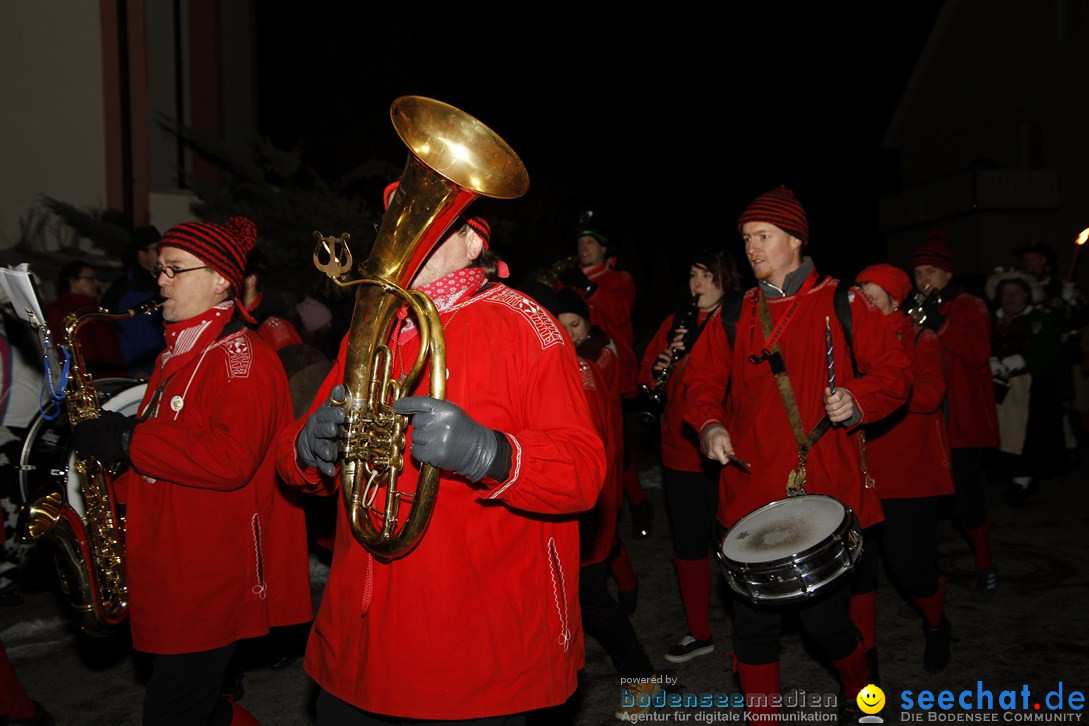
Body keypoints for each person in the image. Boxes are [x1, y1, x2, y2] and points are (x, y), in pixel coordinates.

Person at [279, 205, 606, 725]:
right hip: (358, 641)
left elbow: (582, 473)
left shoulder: (528, 324)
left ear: (474, 244)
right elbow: (294, 449)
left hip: (473, 656)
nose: (404, 240)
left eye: (426, 227)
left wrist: (491, 453)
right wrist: (306, 450)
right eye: (397, 228)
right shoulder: (368, 329)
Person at [71, 216, 312, 725]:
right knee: (200, 710)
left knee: (173, 711)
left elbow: (230, 459)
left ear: (221, 278)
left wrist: (128, 439)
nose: (160, 281)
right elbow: (170, 453)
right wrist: (110, 483)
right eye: (160, 270)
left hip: (209, 573)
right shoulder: (178, 352)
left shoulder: (242, 358)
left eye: (175, 270)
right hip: (172, 561)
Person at [683, 186, 911, 722]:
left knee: (826, 627)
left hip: (824, 491)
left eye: (762, 237)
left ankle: (863, 699)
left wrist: (857, 399)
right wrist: (711, 425)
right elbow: (701, 382)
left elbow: (897, 375)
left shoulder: (843, 301)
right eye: (746, 240)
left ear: (795, 240)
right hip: (751, 492)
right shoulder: (736, 311)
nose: (752, 249)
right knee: (753, 630)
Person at [524, 280, 659, 720]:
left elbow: (584, 455)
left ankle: (641, 677)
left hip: (577, 513)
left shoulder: (577, 372)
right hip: (566, 511)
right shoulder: (558, 364)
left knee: (591, 602)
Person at [638, 247, 740, 664]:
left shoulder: (736, 320)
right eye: (693, 276)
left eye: (706, 276)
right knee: (689, 543)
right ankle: (700, 632)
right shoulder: (674, 323)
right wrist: (663, 364)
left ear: (724, 279)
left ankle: (754, 629)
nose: (697, 285)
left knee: (736, 538)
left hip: (728, 446)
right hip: (680, 449)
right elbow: (644, 376)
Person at [854, 264, 955, 674]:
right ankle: (867, 659)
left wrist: (881, 385)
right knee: (858, 575)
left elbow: (930, 395)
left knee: (911, 570)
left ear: (895, 302)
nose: (863, 304)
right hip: (856, 474)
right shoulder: (848, 340)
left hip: (907, 475)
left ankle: (936, 624)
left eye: (872, 297)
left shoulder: (921, 339)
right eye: (859, 296)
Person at [910, 230, 1000, 600]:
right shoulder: (915, 309)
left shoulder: (970, 306)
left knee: (967, 505)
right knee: (925, 506)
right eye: (917, 273)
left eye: (930, 271)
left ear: (948, 273)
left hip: (960, 423)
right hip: (927, 424)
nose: (923, 280)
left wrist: (939, 326)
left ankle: (985, 562)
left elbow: (978, 354)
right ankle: (925, 579)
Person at [558, 227, 652, 539]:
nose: (583, 247)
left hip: (614, 372)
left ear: (603, 249)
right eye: (580, 241)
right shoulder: (568, 280)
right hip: (579, 367)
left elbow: (620, 312)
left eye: (590, 242)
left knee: (618, 446)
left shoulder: (619, 279)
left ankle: (635, 505)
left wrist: (586, 285)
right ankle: (618, 508)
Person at [985, 268, 1066, 505]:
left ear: (1027, 295)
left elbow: (1049, 351)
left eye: (1016, 293)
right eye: (1006, 293)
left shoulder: (1038, 319)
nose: (1011, 298)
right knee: (1004, 430)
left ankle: (1024, 478)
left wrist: (1020, 361)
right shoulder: (994, 320)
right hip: (999, 386)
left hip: (1031, 388)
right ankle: (1010, 472)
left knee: (1026, 434)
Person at [44, 260, 127, 378]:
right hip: (82, 380)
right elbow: (58, 350)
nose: (97, 283)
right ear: (73, 281)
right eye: (90, 279)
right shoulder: (56, 311)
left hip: (111, 379)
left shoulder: (97, 310)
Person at [102, 225, 165, 377]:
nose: (162, 253)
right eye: (156, 249)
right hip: (143, 372)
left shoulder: (165, 282)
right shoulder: (124, 292)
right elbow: (119, 335)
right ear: (141, 254)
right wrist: (136, 370)